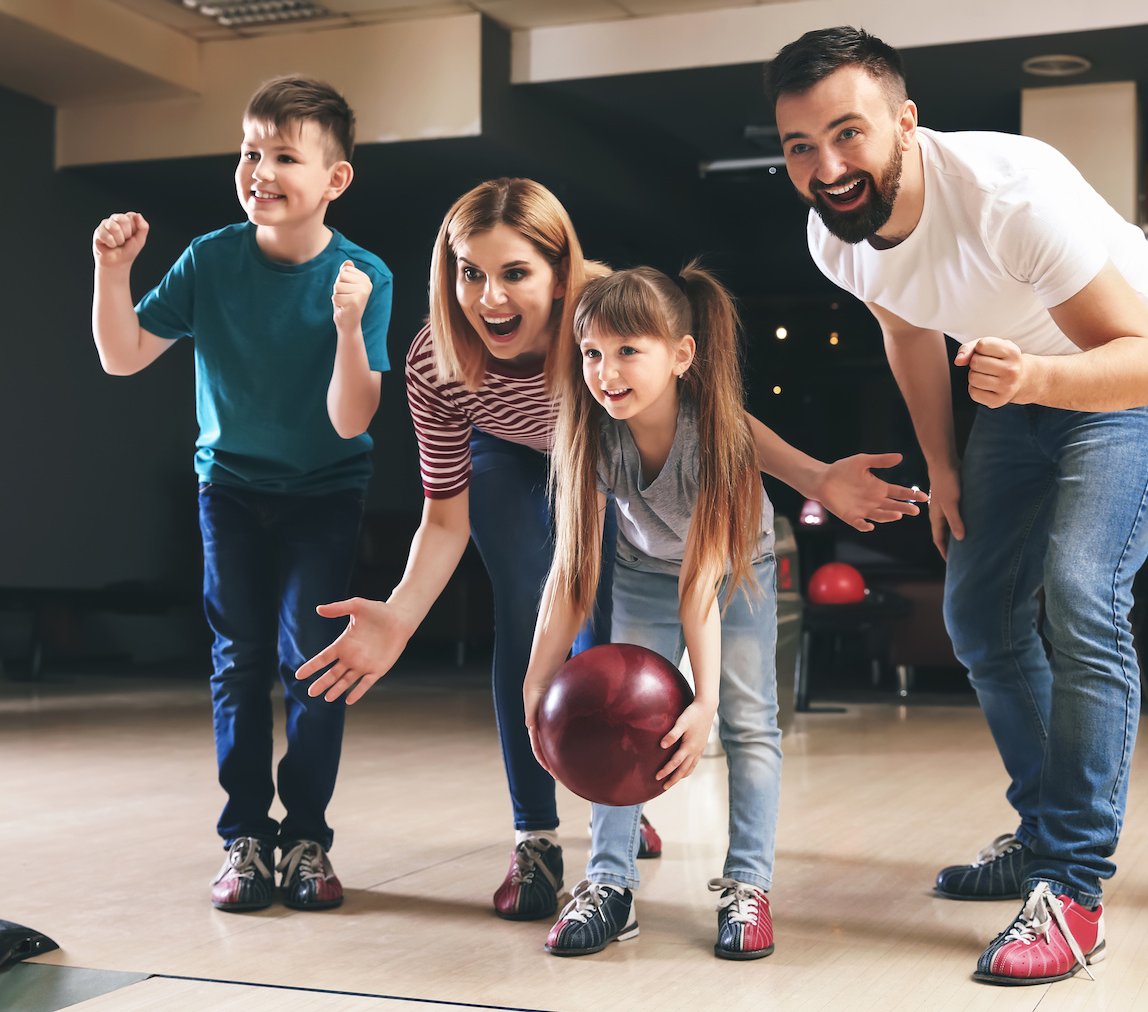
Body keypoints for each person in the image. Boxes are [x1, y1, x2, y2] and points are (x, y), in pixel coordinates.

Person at [295, 178, 926, 922]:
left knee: (674, 679)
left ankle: (693, 845)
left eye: (516, 273)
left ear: (563, 277)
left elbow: (714, 439)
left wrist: (816, 476)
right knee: (530, 611)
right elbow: (480, 532)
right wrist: (409, 618)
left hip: (646, 493)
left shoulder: (605, 322)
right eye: (471, 273)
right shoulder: (442, 360)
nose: (490, 298)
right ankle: (553, 847)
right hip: (536, 457)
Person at [767, 27, 1148, 986]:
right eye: (802, 146)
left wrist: (1038, 376)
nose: (828, 167)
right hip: (1015, 387)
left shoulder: (1008, 199)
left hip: (1125, 375)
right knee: (976, 614)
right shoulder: (834, 238)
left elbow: (1145, 363)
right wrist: (945, 463)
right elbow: (911, 329)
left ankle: (1073, 885)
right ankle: (1042, 825)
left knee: (1081, 593)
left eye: (849, 135)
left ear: (905, 124)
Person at [90, 76, 391, 913]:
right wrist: (112, 272)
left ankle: (307, 842)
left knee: (314, 663)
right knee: (239, 658)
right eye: (251, 150)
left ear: (334, 180)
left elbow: (350, 418)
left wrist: (343, 329)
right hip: (227, 489)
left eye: (285, 155)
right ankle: (244, 841)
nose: (260, 168)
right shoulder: (211, 259)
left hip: (324, 495)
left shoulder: (363, 277)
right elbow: (122, 355)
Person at [524, 263, 783, 961]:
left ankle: (748, 885)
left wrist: (701, 700)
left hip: (734, 568)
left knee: (748, 722)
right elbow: (573, 569)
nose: (606, 372)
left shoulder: (714, 437)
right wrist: (536, 679)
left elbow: (702, 576)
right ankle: (609, 884)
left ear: (681, 356)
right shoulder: (589, 428)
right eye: (592, 353)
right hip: (642, 569)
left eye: (628, 351)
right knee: (615, 715)